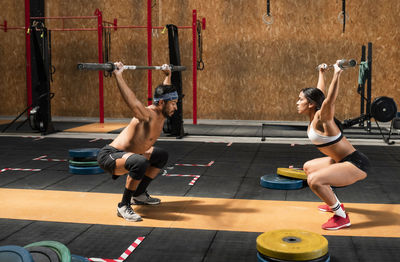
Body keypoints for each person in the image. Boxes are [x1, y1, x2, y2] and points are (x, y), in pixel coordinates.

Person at [97, 62, 178, 222]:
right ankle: (123, 205)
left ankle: (139, 194)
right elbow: (132, 102)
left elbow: (164, 92)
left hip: (132, 154)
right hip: (111, 156)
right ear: (161, 103)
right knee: (139, 162)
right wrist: (118, 75)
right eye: (173, 104)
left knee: (161, 155)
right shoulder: (147, 115)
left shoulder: (162, 112)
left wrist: (167, 75)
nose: (175, 107)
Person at [296, 60, 370, 230]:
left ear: (311, 104)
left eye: (300, 99)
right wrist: (322, 73)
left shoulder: (323, 119)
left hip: (356, 163)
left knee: (314, 180)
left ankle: (341, 217)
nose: (297, 102)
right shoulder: (316, 113)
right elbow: (320, 93)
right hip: (340, 161)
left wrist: (337, 73)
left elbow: (330, 100)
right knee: (309, 167)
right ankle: (333, 202)